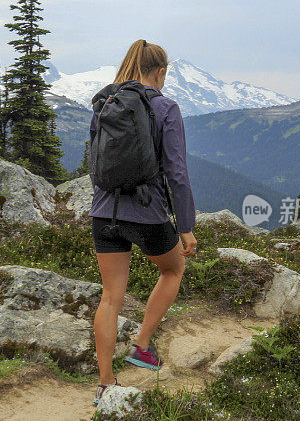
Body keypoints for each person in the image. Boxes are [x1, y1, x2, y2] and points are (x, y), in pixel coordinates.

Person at [89, 39, 197, 404]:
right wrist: (185, 226)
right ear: (161, 72)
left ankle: (106, 384)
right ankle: (141, 345)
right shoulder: (166, 107)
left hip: (104, 211)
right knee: (173, 270)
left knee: (110, 298)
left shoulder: (105, 102)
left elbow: (95, 163)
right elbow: (177, 172)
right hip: (147, 213)